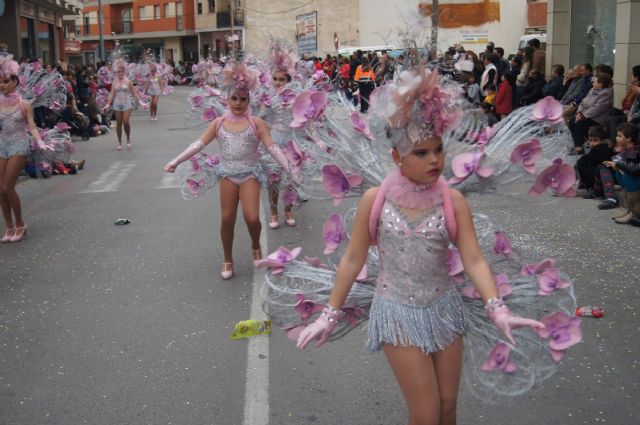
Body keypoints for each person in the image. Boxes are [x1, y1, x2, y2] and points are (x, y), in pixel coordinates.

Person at [291, 69, 551, 425]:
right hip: (396, 311)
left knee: (447, 407)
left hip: (445, 308)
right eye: (421, 152)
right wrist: (328, 316)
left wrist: (498, 309)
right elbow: (353, 259)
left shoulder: (453, 200)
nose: (434, 160)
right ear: (397, 157)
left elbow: (473, 259)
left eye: (439, 150)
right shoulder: (375, 200)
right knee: (426, 414)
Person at [164, 63, 299, 279]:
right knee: (227, 218)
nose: (238, 103)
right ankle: (227, 258)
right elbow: (198, 144)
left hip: (250, 175)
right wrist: (176, 161)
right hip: (227, 175)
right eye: (234, 98)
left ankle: (256, 244)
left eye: (243, 99)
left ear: (249, 101)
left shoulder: (257, 123)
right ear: (227, 99)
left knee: (252, 218)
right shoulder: (218, 123)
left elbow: (272, 147)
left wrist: (290, 168)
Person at [0, 55, 53, 242]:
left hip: (19, 144)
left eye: (5, 81)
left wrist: (39, 141)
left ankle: (21, 223)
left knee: (8, 186)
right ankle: (9, 226)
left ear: (15, 81)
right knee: (0, 189)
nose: (2, 85)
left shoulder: (24, 104)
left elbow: (31, 126)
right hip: (2, 145)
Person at [599, 124, 640, 222]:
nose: (616, 138)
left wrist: (617, 164)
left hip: (636, 180)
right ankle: (630, 210)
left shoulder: (635, 152)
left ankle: (634, 213)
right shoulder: (625, 150)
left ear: (629, 138)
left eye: (619, 136)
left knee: (628, 176)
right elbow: (619, 160)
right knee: (619, 174)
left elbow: (633, 168)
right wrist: (614, 164)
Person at [105, 59, 146, 150]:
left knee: (126, 122)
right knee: (119, 123)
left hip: (127, 103)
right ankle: (119, 142)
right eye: (118, 72)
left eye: (121, 72)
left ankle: (128, 139)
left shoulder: (128, 82)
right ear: (116, 73)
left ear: (124, 72)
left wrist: (140, 102)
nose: (119, 73)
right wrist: (108, 104)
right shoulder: (114, 82)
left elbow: (135, 92)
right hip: (117, 104)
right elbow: (111, 93)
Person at [569, 73, 613, 153]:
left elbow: (596, 109)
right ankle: (577, 143)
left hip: (598, 119)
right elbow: (582, 102)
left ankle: (579, 147)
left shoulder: (606, 93)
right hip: (585, 115)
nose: (593, 83)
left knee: (580, 123)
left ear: (601, 84)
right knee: (572, 121)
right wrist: (579, 112)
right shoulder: (592, 90)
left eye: (595, 82)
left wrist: (583, 115)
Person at [575, 125, 613, 196]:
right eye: (590, 140)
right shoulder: (602, 148)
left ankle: (585, 186)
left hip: (601, 177)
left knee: (580, 164)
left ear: (602, 140)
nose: (592, 143)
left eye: (595, 140)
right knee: (579, 165)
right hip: (600, 175)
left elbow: (582, 161)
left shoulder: (600, 149)